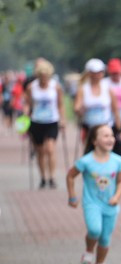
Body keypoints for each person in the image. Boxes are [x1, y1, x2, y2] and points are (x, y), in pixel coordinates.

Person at [66, 124, 121, 264]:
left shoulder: (118, 161)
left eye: (111, 135)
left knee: (105, 237)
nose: (110, 138)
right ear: (94, 140)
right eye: (105, 136)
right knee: (94, 230)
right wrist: (72, 196)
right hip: (92, 203)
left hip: (110, 205)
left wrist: (117, 196)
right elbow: (70, 176)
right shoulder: (86, 161)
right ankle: (88, 251)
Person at [24, 59, 66, 189]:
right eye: (41, 76)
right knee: (40, 151)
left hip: (52, 121)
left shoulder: (55, 86)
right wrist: (26, 114)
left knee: (50, 149)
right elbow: (28, 104)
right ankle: (43, 177)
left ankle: (52, 177)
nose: (44, 79)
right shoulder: (32, 87)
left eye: (46, 76)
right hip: (36, 121)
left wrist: (63, 119)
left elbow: (60, 104)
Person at [74, 59, 121, 144]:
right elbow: (77, 107)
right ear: (89, 73)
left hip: (106, 127)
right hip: (89, 128)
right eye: (95, 72)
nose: (97, 75)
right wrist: (81, 110)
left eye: (99, 72)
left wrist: (120, 130)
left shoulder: (108, 88)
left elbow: (115, 110)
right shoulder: (83, 89)